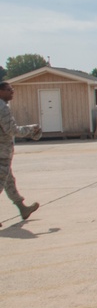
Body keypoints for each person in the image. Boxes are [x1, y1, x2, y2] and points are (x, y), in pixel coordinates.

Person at [0, 82, 42, 227]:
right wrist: (31, 129)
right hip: (1, 153)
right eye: (9, 89)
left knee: (9, 181)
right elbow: (11, 130)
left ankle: (22, 208)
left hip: (3, 152)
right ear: (1, 91)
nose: (12, 91)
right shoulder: (2, 108)